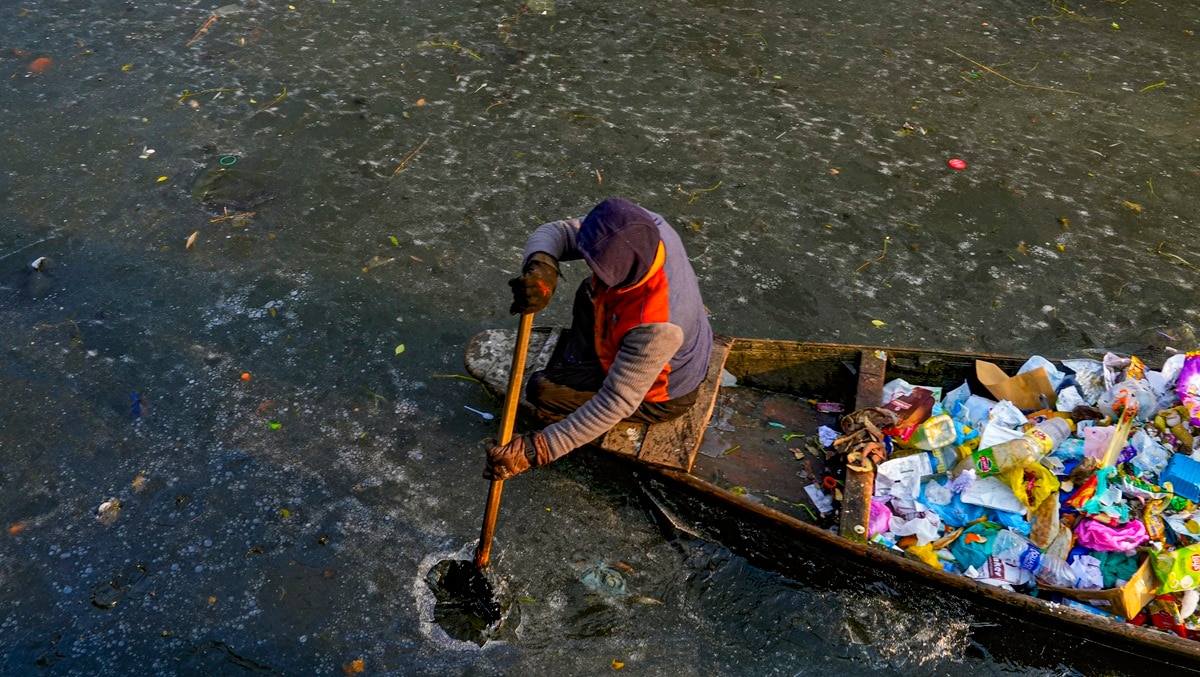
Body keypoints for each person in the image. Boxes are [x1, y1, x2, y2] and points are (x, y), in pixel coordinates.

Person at [484, 197, 713, 481]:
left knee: (542, 390)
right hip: (655, 344)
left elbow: (615, 401)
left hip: (662, 392)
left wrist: (537, 449)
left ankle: (580, 373)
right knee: (589, 291)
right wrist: (543, 265)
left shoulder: (658, 326)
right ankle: (579, 364)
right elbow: (555, 232)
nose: (594, 273)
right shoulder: (649, 225)